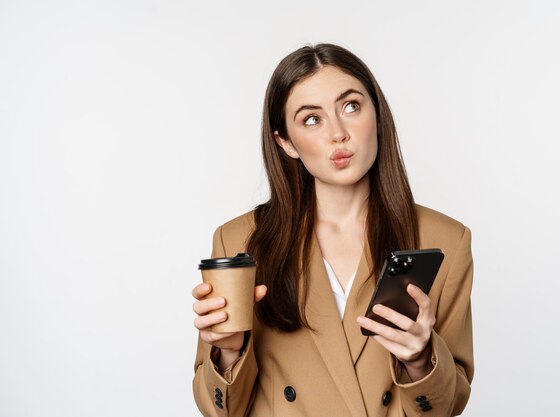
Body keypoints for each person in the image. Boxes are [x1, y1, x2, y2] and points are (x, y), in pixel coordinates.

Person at [192, 43, 474, 417]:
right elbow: (220, 410)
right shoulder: (241, 239)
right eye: (312, 119)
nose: (338, 133)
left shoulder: (445, 240)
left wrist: (421, 359)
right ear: (286, 142)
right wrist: (229, 351)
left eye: (351, 106)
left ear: (377, 114)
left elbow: (448, 406)